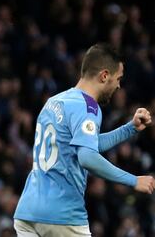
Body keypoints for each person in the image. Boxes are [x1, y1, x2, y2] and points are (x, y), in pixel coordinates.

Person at [14, 43, 154, 237]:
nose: (119, 86)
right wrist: (133, 180)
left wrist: (130, 129)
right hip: (62, 216)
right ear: (105, 76)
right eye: (118, 79)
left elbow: (88, 144)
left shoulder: (55, 101)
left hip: (28, 212)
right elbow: (87, 157)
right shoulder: (88, 108)